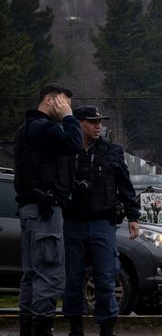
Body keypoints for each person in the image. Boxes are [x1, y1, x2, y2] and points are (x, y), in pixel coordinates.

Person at [63, 106, 141, 336]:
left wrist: (133, 216)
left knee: (106, 276)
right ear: (79, 123)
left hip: (102, 222)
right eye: (92, 121)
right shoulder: (68, 151)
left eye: (100, 121)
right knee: (74, 278)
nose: (98, 126)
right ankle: (75, 327)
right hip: (73, 221)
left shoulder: (112, 151)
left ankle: (107, 329)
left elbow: (125, 185)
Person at [14, 84, 83, 336]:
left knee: (32, 274)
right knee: (50, 274)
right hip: (45, 209)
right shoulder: (42, 127)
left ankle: (27, 328)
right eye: (65, 102)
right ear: (51, 100)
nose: (69, 108)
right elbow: (75, 143)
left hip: (31, 208)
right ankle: (42, 328)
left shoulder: (27, 129)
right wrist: (68, 118)